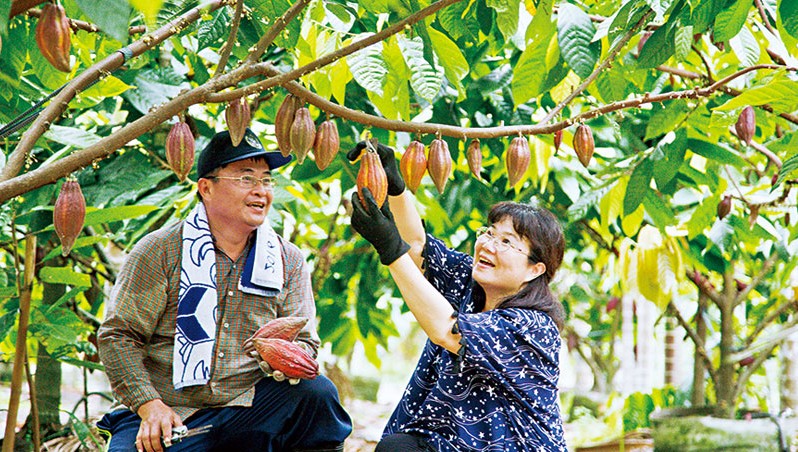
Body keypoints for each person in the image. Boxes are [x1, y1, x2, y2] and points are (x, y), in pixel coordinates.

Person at [96, 128, 352, 452]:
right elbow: (118, 336)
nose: (261, 191)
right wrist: (149, 405)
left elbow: (305, 342)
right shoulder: (159, 251)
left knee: (318, 395)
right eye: (246, 179)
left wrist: (276, 358)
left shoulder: (286, 259)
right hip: (170, 412)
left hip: (250, 409)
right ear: (206, 188)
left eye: (267, 180)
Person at [347, 141, 568, 451]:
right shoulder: (472, 284)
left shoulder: (533, 327)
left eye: (507, 242)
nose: (489, 245)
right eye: (490, 233)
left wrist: (388, 248)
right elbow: (416, 248)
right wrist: (395, 187)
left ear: (534, 270)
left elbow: (448, 331)